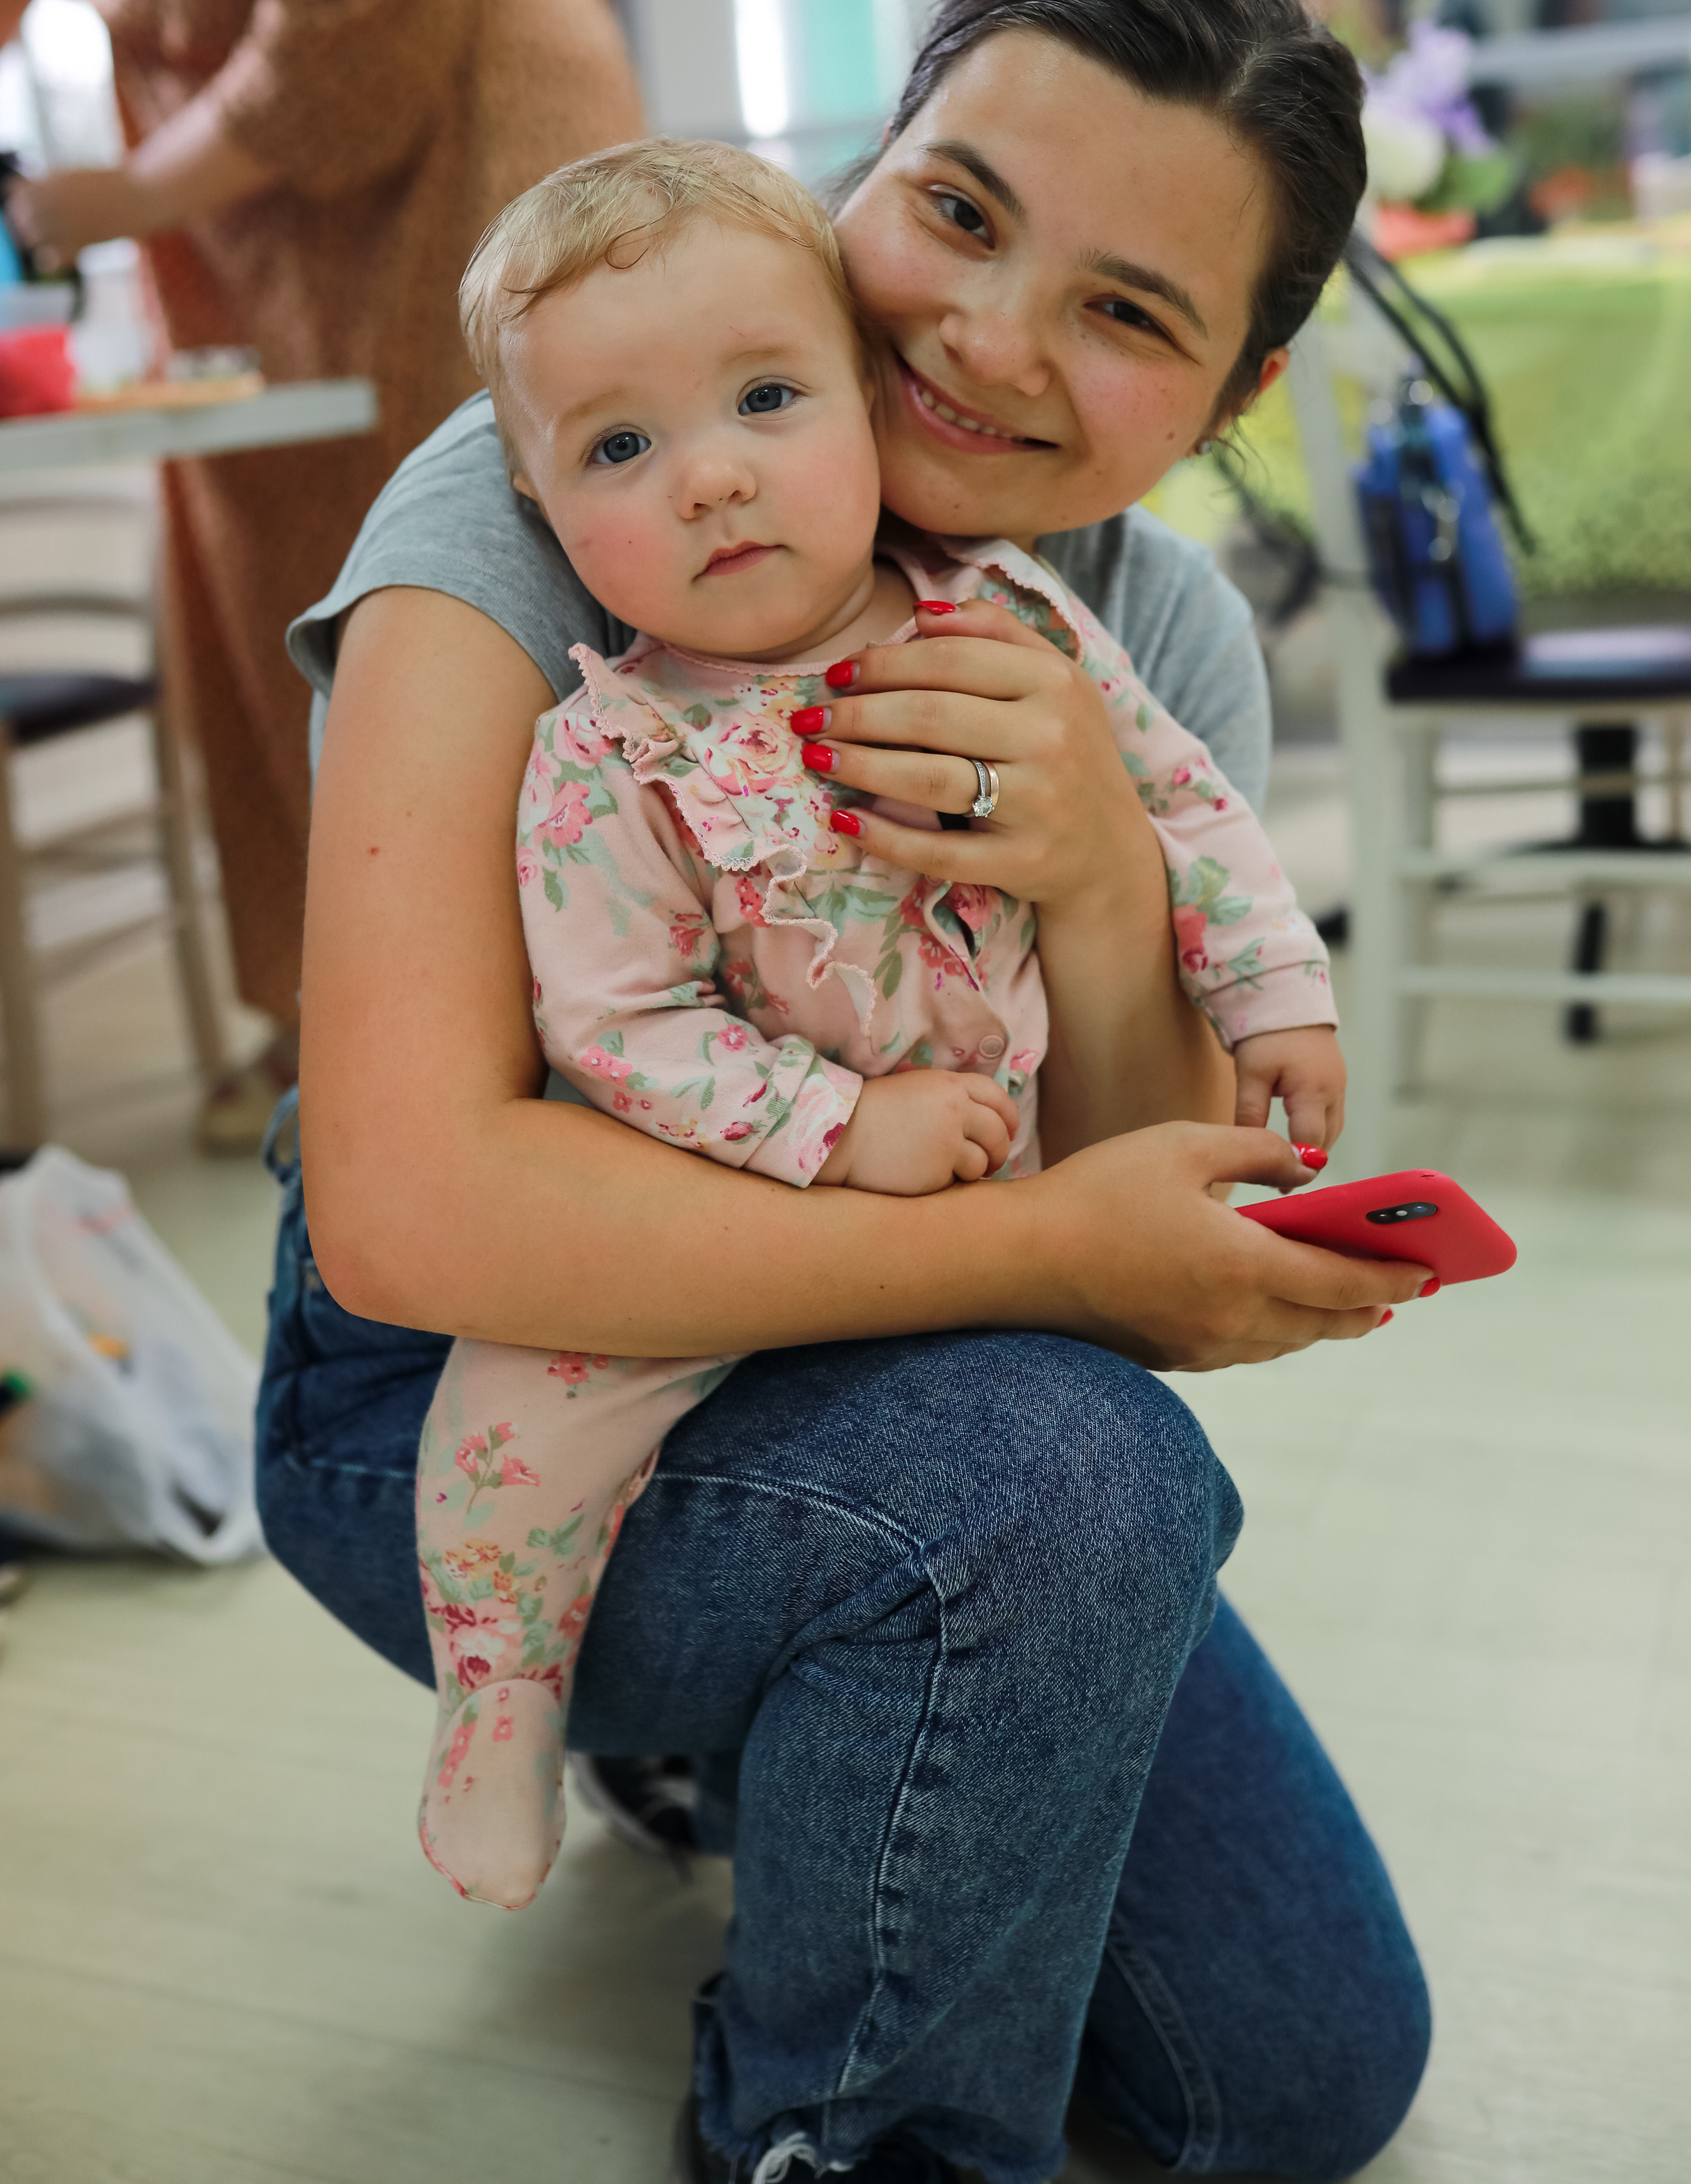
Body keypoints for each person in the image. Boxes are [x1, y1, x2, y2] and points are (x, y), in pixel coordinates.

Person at [262, 0, 1436, 2183]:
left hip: (922, 1384)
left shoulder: (1148, 625)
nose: (985, 339)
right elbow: (411, 1218)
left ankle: (805, 1702)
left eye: (1128, 313)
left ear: (1236, 397)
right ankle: (830, 2132)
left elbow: (1142, 1251)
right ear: (865, 168)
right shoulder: (558, 482)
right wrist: (1032, 1246)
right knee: (1068, 1477)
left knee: (1301, 2076)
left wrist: (1101, 879)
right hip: (473, 1395)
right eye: (960, 212)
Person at [411, 138, 1345, 1912]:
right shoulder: (604, 754)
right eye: (618, 450)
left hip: (977, 1258)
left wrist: (1272, 988)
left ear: (861, 395)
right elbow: (619, 1028)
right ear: (536, 502)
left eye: (766, 401)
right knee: (507, 1439)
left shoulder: (1009, 613)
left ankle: (839, 1752)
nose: (710, 478)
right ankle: (503, 1702)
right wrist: (839, 1129)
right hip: (707, 1229)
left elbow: (1188, 809)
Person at [0, 0, 643, 1147]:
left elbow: (343, 53)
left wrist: (121, 195)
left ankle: (564, 1031)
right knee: (279, 621)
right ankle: (349, 1024)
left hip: (458, 195)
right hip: (253, 258)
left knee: (473, 585)